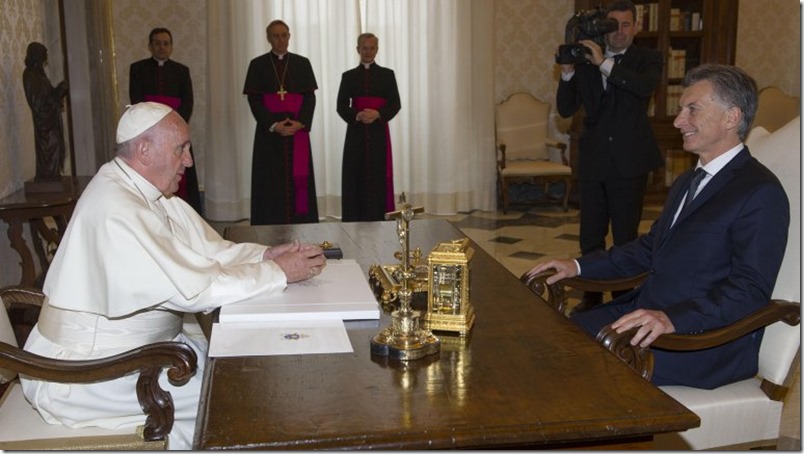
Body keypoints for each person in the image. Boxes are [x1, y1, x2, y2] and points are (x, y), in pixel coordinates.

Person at [20, 102, 327, 450]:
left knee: (246, 371)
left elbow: (210, 252)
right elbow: (197, 290)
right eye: (181, 148)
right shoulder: (117, 207)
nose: (189, 161)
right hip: (88, 375)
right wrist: (278, 272)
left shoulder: (147, 192)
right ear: (145, 150)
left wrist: (266, 255)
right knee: (234, 401)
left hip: (141, 353)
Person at [527, 64, 790, 390]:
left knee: (571, 369)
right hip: (647, 317)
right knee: (548, 338)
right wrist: (576, 265)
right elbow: (649, 249)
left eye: (692, 109)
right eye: (681, 110)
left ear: (731, 118)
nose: (679, 121)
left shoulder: (760, 192)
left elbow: (749, 290)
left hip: (699, 342)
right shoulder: (686, 181)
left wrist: (673, 319)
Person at [556, 0, 663, 312]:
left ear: (636, 27)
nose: (618, 31)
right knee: (590, 235)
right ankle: (591, 296)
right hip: (594, 160)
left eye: (626, 24)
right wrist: (567, 73)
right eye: (612, 24)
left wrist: (604, 62)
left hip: (630, 162)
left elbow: (642, 88)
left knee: (626, 236)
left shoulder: (648, 59)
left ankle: (623, 297)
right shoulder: (586, 60)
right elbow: (565, 108)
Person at [243, 19, 319, 225]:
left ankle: (302, 221)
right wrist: (273, 125)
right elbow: (255, 100)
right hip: (269, 134)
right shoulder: (257, 65)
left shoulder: (302, 63)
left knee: (299, 183)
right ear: (268, 38)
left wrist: (301, 123)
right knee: (270, 182)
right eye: (275, 35)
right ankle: (269, 222)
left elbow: (309, 98)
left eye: (284, 35)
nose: (280, 39)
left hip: (298, 133)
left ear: (289, 36)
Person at [129, 27, 203, 215]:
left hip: (176, 134)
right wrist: (155, 129)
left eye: (166, 43)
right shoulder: (138, 69)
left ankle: (186, 215)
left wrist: (173, 130)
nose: (162, 47)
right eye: (157, 43)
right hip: (150, 135)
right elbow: (137, 102)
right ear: (150, 46)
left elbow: (188, 103)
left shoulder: (181, 71)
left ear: (171, 46)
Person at [336, 33, 401, 222]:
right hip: (355, 133)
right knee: (354, 175)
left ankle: (377, 217)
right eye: (364, 48)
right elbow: (341, 105)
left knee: (377, 176)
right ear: (358, 49)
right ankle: (353, 218)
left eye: (372, 48)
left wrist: (378, 114)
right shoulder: (348, 76)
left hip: (378, 132)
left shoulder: (387, 75)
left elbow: (395, 104)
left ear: (377, 50)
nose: (368, 51)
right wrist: (356, 114)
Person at [23, 42, 69, 182]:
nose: (45, 58)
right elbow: (38, 104)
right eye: (43, 55)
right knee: (49, 150)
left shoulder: (39, 74)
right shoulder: (30, 75)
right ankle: (48, 177)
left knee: (55, 148)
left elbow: (47, 96)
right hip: (45, 125)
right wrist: (57, 95)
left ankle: (52, 176)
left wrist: (59, 90)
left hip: (51, 122)